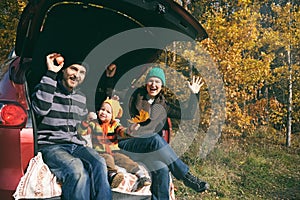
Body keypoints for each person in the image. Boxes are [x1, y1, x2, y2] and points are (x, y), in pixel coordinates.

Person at [118, 67, 209, 200]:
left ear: (162, 85)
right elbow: (112, 91)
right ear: (146, 83)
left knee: (162, 168)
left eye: (157, 82)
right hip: (127, 144)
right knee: (154, 138)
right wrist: (110, 77)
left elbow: (188, 114)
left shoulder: (164, 105)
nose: (153, 85)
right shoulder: (133, 96)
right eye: (151, 81)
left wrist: (194, 94)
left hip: (146, 151)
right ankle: (186, 176)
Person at [31, 53, 112, 200]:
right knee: (77, 170)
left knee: (100, 163)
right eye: (73, 69)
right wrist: (51, 73)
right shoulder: (48, 87)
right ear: (63, 70)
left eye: (82, 72)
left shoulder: (81, 98)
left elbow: (81, 127)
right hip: (51, 145)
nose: (77, 75)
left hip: (76, 145)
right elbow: (40, 109)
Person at [77, 98, 151, 191]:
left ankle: (141, 176)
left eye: (108, 112)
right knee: (108, 159)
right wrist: (86, 121)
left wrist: (130, 129)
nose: (103, 112)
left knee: (125, 159)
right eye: (102, 109)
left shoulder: (114, 125)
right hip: (100, 153)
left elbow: (122, 132)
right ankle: (112, 175)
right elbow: (82, 132)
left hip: (114, 152)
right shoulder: (94, 124)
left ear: (112, 116)